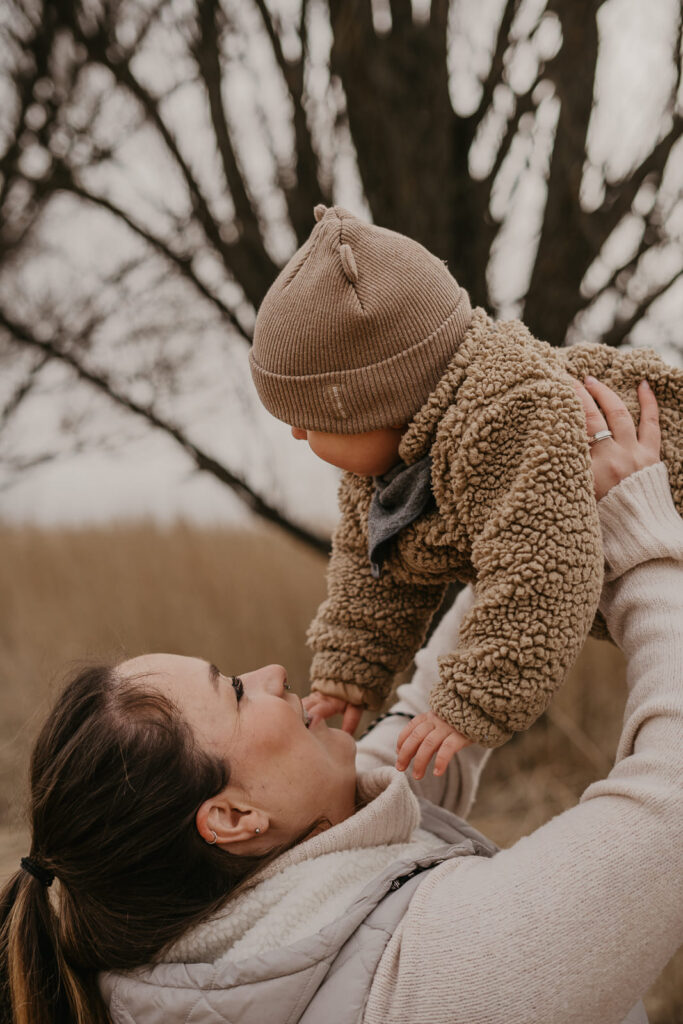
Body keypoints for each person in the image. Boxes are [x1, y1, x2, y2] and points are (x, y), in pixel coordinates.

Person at [1, 382, 682, 1024]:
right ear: (232, 817)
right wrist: (645, 540)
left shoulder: (207, 941)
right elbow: (670, 798)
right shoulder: (436, 973)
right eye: (235, 693)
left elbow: (428, 710)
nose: (270, 672)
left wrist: (539, 528)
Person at [249, 204, 683, 778]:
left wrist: (475, 696)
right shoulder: (394, 466)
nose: (298, 432)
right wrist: (349, 667)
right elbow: (376, 564)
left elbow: (543, 568)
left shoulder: (509, 414)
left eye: (310, 419)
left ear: (380, 399)